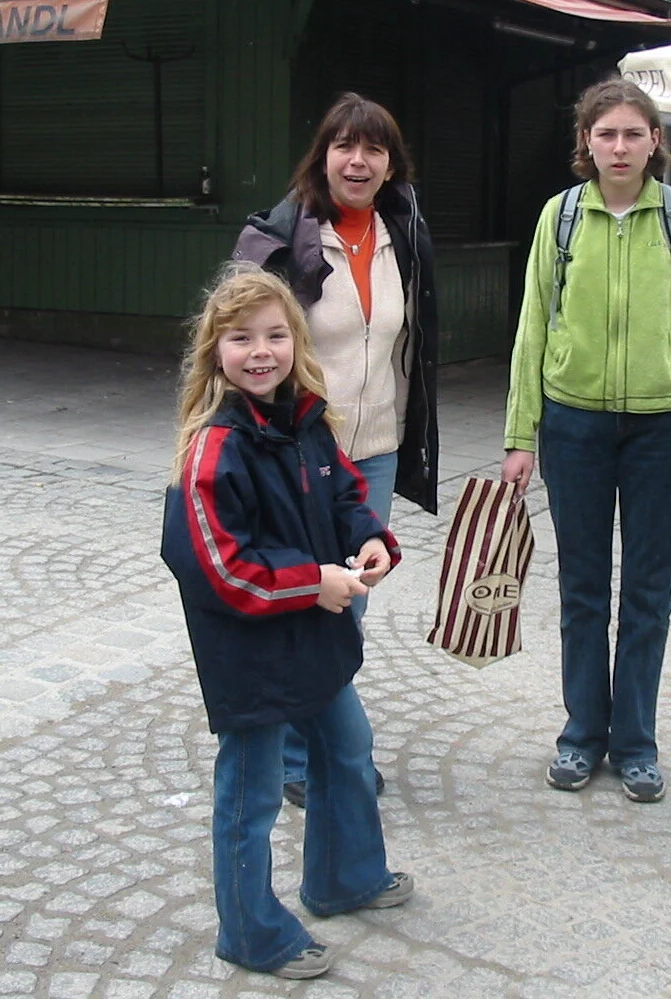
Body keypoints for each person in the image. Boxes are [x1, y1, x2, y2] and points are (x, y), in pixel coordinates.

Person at [159, 263, 414, 981]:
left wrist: (370, 538)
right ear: (216, 350)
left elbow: (345, 496)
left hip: (315, 632)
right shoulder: (213, 448)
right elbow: (221, 569)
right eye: (242, 338)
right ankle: (250, 930)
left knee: (346, 748)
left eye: (275, 335)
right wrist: (315, 584)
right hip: (251, 652)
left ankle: (345, 876)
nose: (260, 351)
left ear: (297, 342)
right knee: (252, 790)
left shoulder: (305, 419)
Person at [501, 77, 671, 805]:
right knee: (581, 587)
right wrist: (521, 433)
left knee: (647, 590)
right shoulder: (561, 216)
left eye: (635, 133)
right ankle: (581, 733)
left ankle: (635, 742)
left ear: (656, 142)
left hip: (662, 427)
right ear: (587, 143)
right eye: (607, 134)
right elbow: (534, 322)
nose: (621, 146)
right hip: (574, 423)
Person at [233, 92, 439, 808]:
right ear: (322, 156)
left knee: (351, 600)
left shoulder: (400, 233)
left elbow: (410, 345)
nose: (359, 160)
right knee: (306, 595)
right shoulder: (285, 237)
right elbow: (243, 344)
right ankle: (297, 757)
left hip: (375, 447)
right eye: (345, 145)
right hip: (300, 451)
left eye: (374, 148)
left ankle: (324, 740)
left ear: (391, 164)